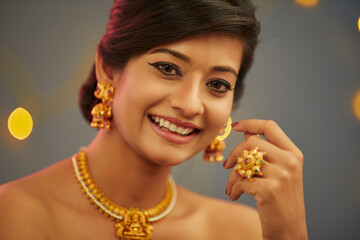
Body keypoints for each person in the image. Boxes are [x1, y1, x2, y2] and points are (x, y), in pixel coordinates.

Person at [0, 0, 308, 239]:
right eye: (168, 68)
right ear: (108, 68)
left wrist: (290, 233)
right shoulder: (11, 215)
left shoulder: (246, 232)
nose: (190, 105)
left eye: (217, 84)